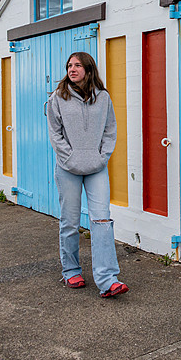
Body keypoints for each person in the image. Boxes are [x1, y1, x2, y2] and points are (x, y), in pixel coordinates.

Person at [46, 51, 128, 298]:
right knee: (70, 222)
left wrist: (102, 156)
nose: (72, 69)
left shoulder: (102, 98)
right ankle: (71, 270)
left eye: (78, 65)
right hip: (67, 168)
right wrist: (70, 157)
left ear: (89, 69)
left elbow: (110, 129)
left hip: (97, 168)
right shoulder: (57, 98)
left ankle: (108, 279)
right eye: (69, 65)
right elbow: (55, 132)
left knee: (102, 221)